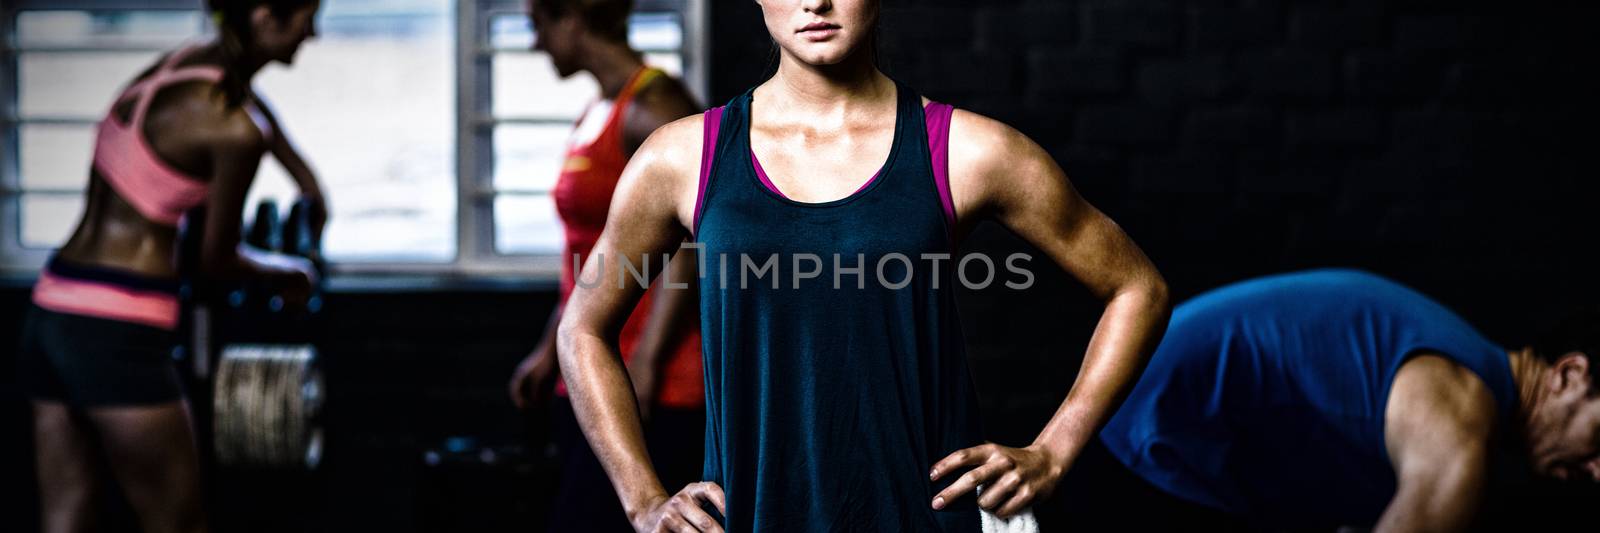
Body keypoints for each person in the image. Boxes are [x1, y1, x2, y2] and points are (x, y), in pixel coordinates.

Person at [553, 0, 1171, 531]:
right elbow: (582, 328)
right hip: (750, 516)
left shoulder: (970, 150)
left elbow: (1137, 288)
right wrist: (643, 502)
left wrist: (1054, 451)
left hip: (928, 516)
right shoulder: (682, 158)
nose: (817, 2)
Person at [16, 1, 325, 531]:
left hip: (54, 306)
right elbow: (214, 260)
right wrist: (288, 272)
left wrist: (303, 175)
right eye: (306, 18)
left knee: (66, 518)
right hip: (118, 326)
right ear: (265, 16)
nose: (313, 34)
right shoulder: (234, 129)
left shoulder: (181, 68)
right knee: (178, 523)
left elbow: (253, 114)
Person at [1086, 269, 1600, 531]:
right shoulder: (1463, 415)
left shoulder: (1464, 366)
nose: (1598, 472)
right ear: (1569, 375)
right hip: (1137, 432)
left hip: (1145, 426)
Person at [501, 0, 705, 531]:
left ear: (571, 19)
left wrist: (647, 362)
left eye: (539, 26)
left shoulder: (658, 106)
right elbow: (591, 254)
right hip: (592, 371)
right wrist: (551, 349)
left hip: (652, 382)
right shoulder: (598, 109)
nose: (535, 43)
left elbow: (692, 247)